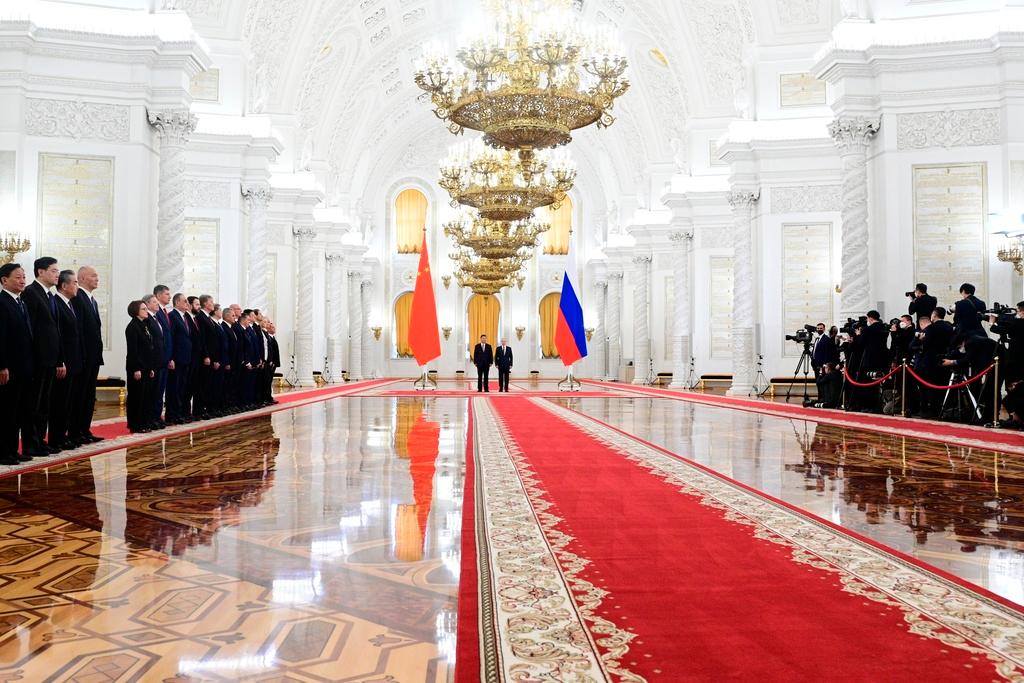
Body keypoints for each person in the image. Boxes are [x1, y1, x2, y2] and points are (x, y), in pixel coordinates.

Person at [21, 257, 63, 456]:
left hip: (49, 359)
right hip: (38, 359)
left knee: (43, 403)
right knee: (33, 403)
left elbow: (54, 329)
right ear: (41, 272)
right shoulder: (31, 293)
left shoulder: (49, 295)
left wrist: (58, 359)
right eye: (53, 270)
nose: (57, 274)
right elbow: (30, 330)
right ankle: (31, 443)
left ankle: (40, 440)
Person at [0, 264, 35, 464]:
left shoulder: (21, 302)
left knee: (20, 411)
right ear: (4, 280)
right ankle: (4, 452)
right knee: (6, 412)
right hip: (9, 369)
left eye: (24, 277)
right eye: (18, 277)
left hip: (24, 367)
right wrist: (2, 365)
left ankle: (13, 450)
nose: (23, 281)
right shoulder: (2, 302)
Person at [48, 270, 83, 450]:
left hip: (73, 361)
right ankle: (56, 438)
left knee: (68, 401)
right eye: (75, 282)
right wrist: (61, 361)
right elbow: (59, 336)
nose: (77, 286)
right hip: (64, 362)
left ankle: (64, 436)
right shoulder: (56, 304)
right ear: (64, 285)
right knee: (59, 402)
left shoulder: (69, 304)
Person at [70, 266, 104, 444]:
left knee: (89, 396)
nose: (97, 278)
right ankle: (75, 432)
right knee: (80, 395)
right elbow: (79, 331)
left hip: (93, 357)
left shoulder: (92, 300)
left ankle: (84, 430)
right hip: (83, 357)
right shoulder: (78, 298)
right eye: (93, 275)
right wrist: (82, 355)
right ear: (82, 278)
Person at [124, 300, 155, 433]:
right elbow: (133, 350)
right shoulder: (132, 327)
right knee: (136, 396)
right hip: (136, 367)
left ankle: (144, 421)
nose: (146, 311)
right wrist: (136, 368)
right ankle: (135, 424)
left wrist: (151, 367)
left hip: (147, 366)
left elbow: (149, 348)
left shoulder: (145, 325)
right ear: (136, 311)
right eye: (143, 309)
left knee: (146, 396)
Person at [142, 294, 168, 429]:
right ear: (147, 304)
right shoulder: (147, 320)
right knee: (152, 392)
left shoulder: (156, 318)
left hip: (161, 360)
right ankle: (150, 418)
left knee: (158, 391)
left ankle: (156, 417)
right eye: (154, 302)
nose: (157, 304)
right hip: (153, 361)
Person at [167, 293, 193, 424]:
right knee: (174, 388)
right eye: (185, 301)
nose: (187, 303)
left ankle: (180, 413)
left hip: (185, 358)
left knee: (182, 387)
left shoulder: (185, 317)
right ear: (177, 302)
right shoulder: (172, 316)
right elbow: (171, 338)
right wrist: (170, 357)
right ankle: (172, 415)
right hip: (176, 359)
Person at [150, 285, 174, 425]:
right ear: (158, 296)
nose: (169, 296)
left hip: (165, 357)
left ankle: (157, 417)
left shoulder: (163, 311)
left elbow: (167, 336)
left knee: (160, 390)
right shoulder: (155, 312)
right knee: (155, 390)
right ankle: (153, 417)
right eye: (166, 294)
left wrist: (170, 357)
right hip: (158, 358)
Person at [195, 295, 222, 417]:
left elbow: (214, 341)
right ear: (205, 304)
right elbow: (203, 339)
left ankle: (206, 408)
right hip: (205, 357)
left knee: (208, 385)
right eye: (211, 302)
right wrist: (206, 356)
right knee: (202, 385)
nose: (213, 303)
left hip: (212, 356)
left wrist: (215, 358)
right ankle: (199, 410)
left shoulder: (208, 318)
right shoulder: (201, 317)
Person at [263, 320, 280, 405]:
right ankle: (266, 398)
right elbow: (270, 351)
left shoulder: (272, 337)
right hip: (270, 362)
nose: (274, 329)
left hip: (273, 363)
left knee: (269, 381)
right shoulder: (268, 337)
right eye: (272, 327)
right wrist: (271, 361)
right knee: (267, 381)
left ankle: (269, 397)